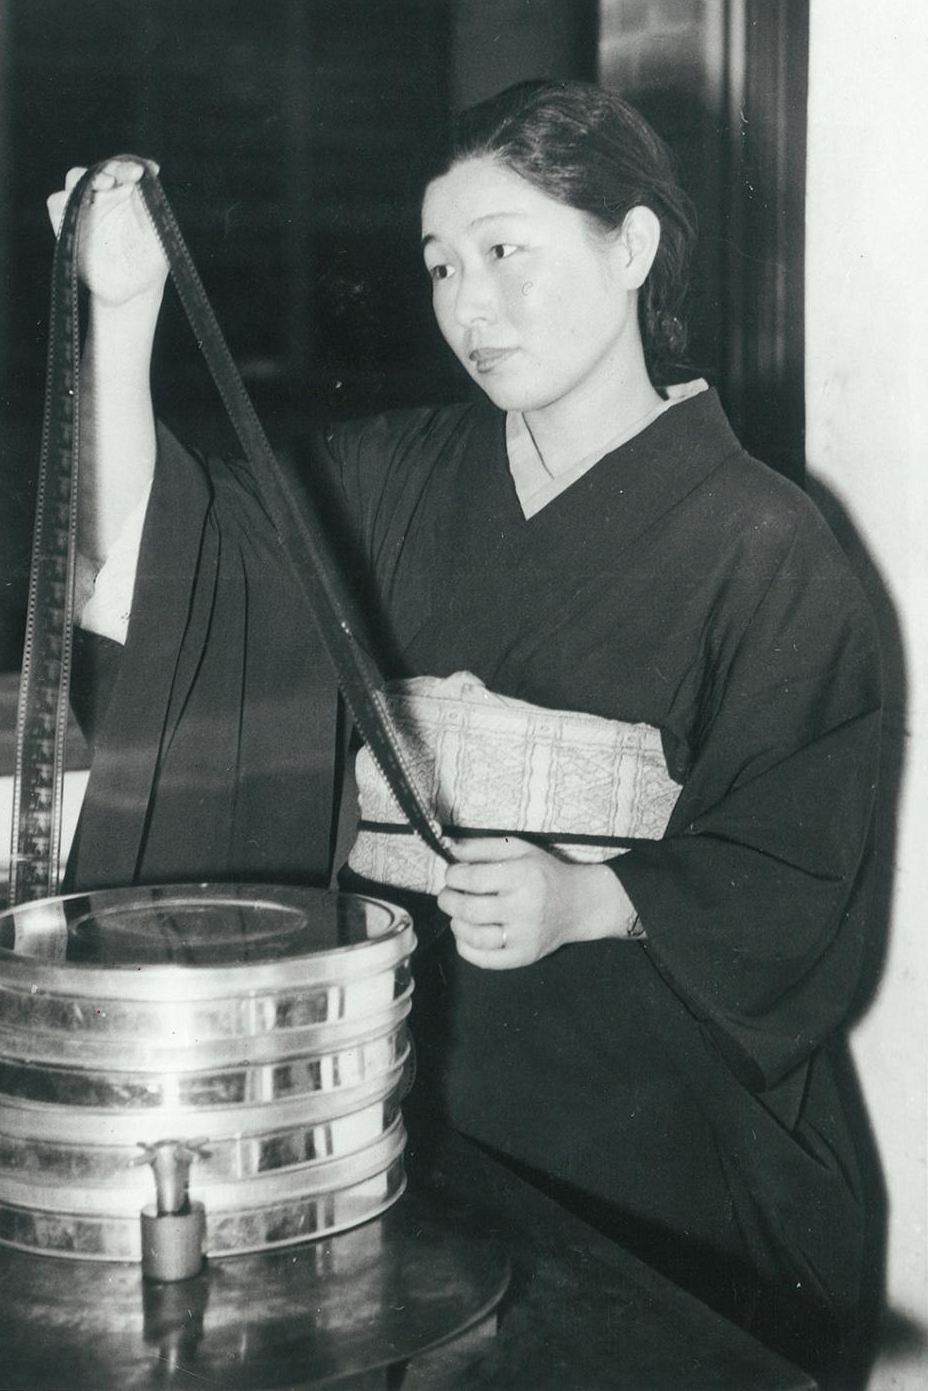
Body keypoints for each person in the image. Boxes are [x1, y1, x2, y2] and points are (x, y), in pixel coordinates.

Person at [49, 81, 881, 1382]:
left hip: (653, 1141)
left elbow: (803, 867)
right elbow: (176, 574)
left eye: (505, 252)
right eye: (440, 264)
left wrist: (593, 895)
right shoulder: (397, 478)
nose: (465, 304)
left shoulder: (766, 542)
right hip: (409, 1106)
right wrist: (120, 312)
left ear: (632, 248)